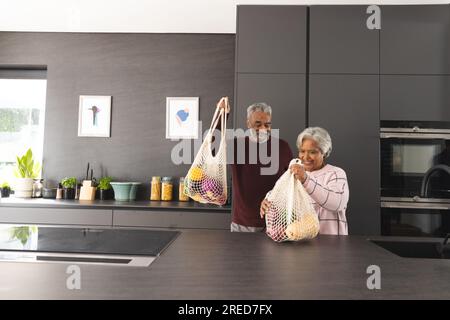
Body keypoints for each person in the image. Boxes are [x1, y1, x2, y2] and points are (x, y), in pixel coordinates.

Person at [219, 100, 293, 232]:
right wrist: (222, 115)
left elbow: (292, 184)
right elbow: (212, 150)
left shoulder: (283, 147)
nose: (263, 129)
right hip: (242, 225)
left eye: (267, 124)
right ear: (248, 123)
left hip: (276, 224)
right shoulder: (237, 146)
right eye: (257, 124)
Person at [260, 127, 350, 235]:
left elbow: (337, 203)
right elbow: (279, 192)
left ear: (324, 153)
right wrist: (268, 200)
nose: (306, 157)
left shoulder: (335, 173)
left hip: (332, 243)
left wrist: (305, 180)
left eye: (313, 152)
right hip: (301, 243)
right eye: (302, 151)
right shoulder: (294, 172)